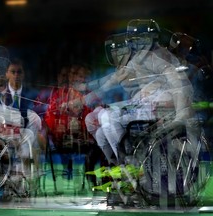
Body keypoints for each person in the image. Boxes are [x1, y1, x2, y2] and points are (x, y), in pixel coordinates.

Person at [67, 19, 195, 166]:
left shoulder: (159, 57)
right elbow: (112, 79)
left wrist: (180, 113)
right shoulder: (139, 58)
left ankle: (130, 165)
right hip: (145, 103)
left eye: (141, 39)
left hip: (161, 107)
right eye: (135, 40)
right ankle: (123, 167)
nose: (137, 43)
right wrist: (84, 92)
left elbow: (178, 83)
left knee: (106, 117)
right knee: (102, 127)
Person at [2, 57, 43, 175]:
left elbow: (39, 119)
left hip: (27, 135)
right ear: (6, 74)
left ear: (23, 74)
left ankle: (27, 175)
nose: (16, 75)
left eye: (19, 72)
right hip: (6, 134)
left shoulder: (33, 94)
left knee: (31, 135)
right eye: (13, 72)